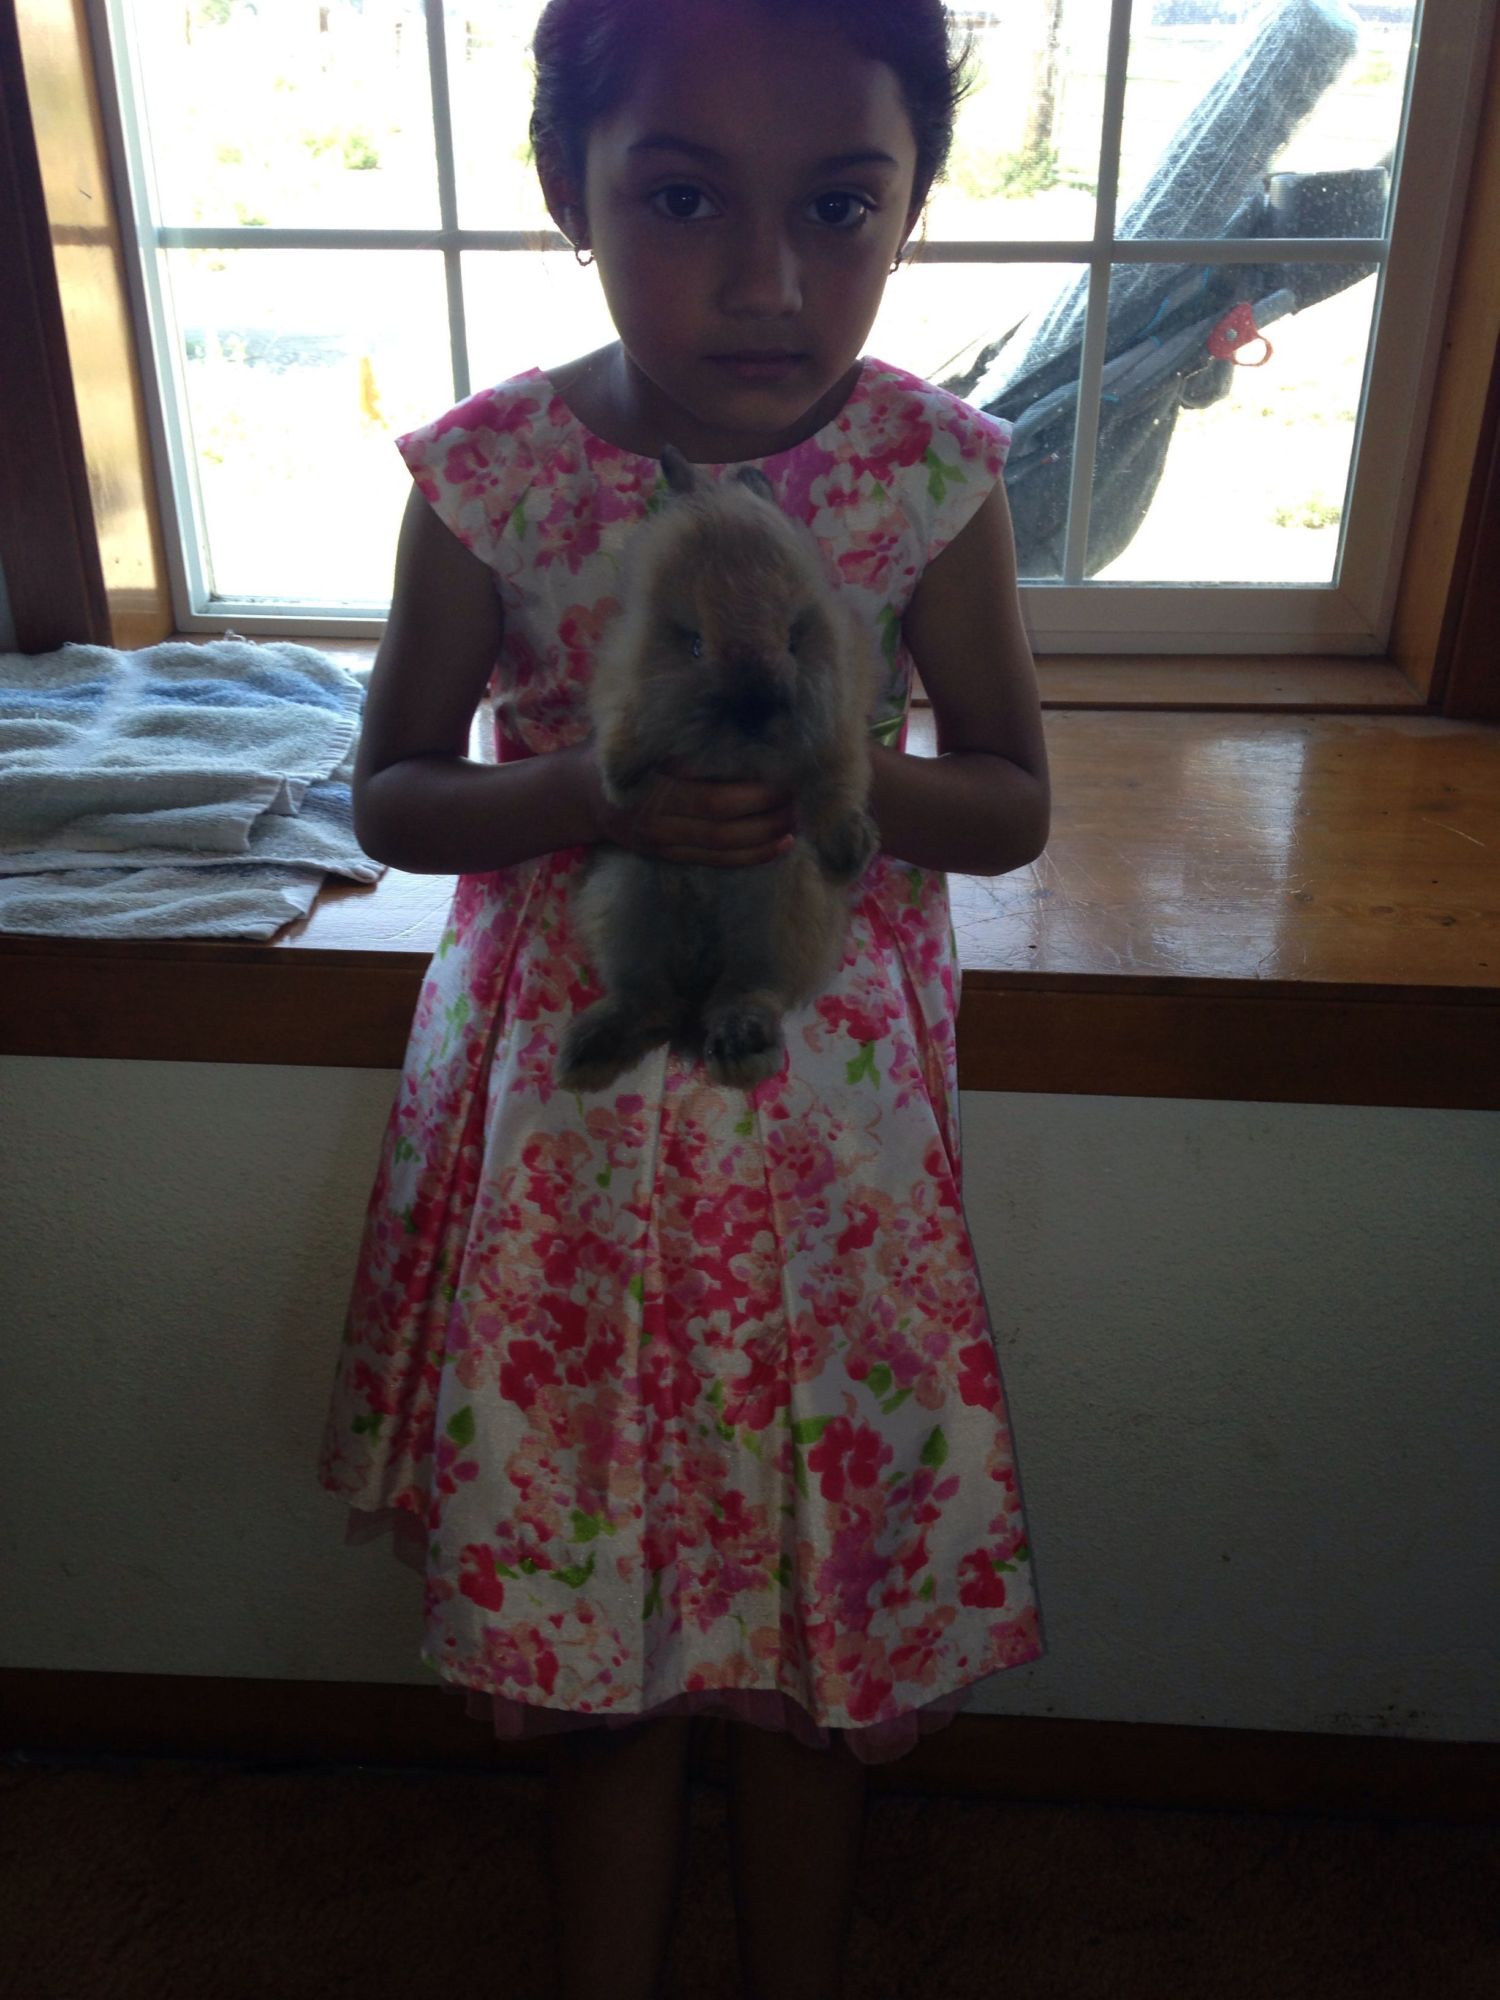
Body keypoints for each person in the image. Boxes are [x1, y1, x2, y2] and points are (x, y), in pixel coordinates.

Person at [318, 2, 1050, 1994]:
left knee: (820, 1653)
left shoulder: (928, 470)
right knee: (606, 1659)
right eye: (682, 199)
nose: (767, 281)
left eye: (839, 207)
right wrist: (585, 788)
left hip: (831, 1171)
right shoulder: (493, 474)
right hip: (572, 1161)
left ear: (910, 205)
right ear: (570, 190)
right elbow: (393, 793)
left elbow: (1009, 800)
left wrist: (834, 775)